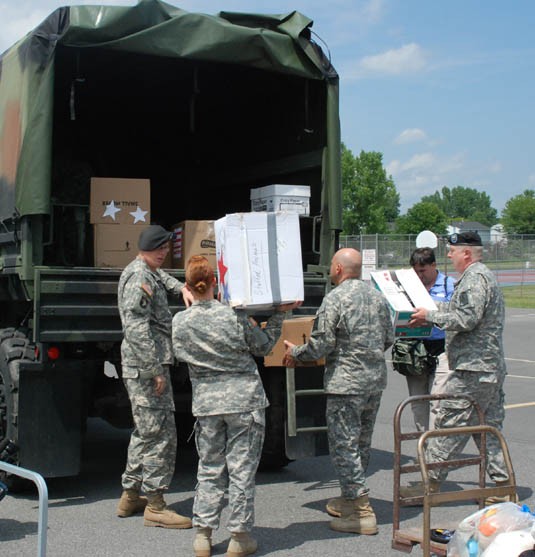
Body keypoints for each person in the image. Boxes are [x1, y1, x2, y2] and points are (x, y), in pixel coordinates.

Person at [172, 255, 301, 557]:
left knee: (209, 468)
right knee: (241, 470)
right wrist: (280, 315)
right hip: (244, 401)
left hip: (207, 404)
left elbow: (179, 354)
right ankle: (239, 538)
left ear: (188, 287)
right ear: (215, 283)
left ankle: (203, 536)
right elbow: (263, 345)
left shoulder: (180, 321)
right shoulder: (233, 316)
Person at [283, 248, 394, 535]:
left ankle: (361, 511)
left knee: (344, 446)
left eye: (333, 265)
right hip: (374, 382)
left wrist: (296, 351)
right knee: (361, 445)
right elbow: (389, 338)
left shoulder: (335, 299)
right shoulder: (378, 298)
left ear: (339, 269)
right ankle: (349, 498)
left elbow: (321, 345)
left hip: (346, 385)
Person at [401, 231, 515, 505]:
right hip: (485, 368)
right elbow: (458, 308)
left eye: (452, 251)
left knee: (449, 424)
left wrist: (430, 315)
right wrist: (429, 309)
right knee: (486, 428)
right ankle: (503, 486)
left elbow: (466, 317)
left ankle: (429, 485)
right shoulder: (478, 276)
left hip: (473, 369)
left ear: (465, 253)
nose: (448, 256)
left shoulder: (475, 278)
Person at [116, 225, 194, 528]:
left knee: (144, 431)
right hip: (146, 368)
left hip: (144, 366)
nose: (163, 253)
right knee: (162, 435)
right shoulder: (139, 278)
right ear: (147, 247)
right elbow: (136, 328)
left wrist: (181, 288)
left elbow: (161, 277)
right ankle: (157, 505)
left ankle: (131, 495)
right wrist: (153, 370)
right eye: (159, 249)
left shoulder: (146, 270)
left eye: (166, 248)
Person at [397, 247, 455, 432]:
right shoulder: (408, 289)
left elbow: (456, 316)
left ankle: (436, 449)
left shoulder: (450, 285)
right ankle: (425, 446)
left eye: (423, 270)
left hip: (442, 349)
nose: (419, 275)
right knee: (417, 403)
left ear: (433, 265)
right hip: (415, 349)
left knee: (438, 401)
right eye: (415, 271)